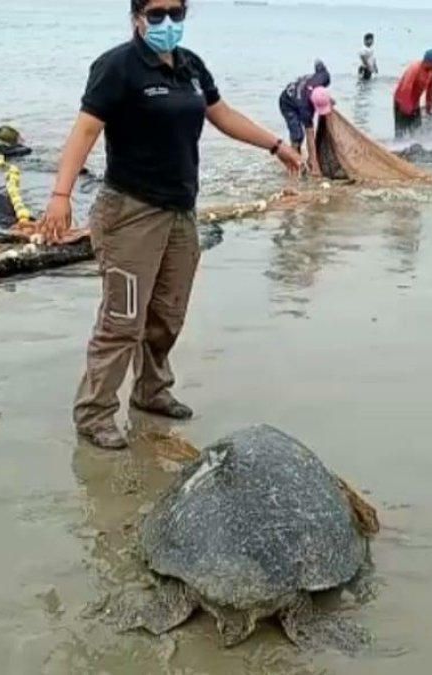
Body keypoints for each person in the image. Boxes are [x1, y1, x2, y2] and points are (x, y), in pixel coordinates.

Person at [38, 0, 302, 450]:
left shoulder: (190, 66)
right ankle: (95, 413)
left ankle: (151, 391)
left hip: (181, 211)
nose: (167, 23)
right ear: (136, 16)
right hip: (130, 213)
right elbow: (85, 131)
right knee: (123, 319)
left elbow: (223, 115)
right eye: (156, 13)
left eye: (176, 13)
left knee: (167, 314)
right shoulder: (118, 66)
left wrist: (276, 145)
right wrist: (60, 197)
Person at [279, 60, 331, 175]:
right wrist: (315, 164)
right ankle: (294, 163)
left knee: (301, 134)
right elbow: (310, 136)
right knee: (298, 135)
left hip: (302, 94)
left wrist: (328, 100)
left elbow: (319, 64)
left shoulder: (324, 77)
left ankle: (304, 162)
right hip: (287, 103)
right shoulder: (305, 106)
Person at [393, 50, 432, 138]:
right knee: (401, 131)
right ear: (429, 61)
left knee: (417, 132)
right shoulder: (415, 68)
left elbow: (430, 90)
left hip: (415, 104)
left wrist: (429, 107)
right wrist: (406, 107)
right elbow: (406, 87)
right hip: (401, 101)